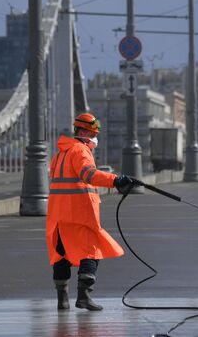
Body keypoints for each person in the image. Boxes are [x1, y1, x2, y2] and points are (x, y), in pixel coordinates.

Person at [46, 112, 137, 311]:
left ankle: (62, 299)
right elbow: (88, 174)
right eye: (93, 132)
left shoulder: (60, 154)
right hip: (79, 213)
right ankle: (84, 297)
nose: (94, 135)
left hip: (58, 214)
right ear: (84, 131)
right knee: (91, 252)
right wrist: (115, 180)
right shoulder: (80, 150)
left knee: (61, 254)